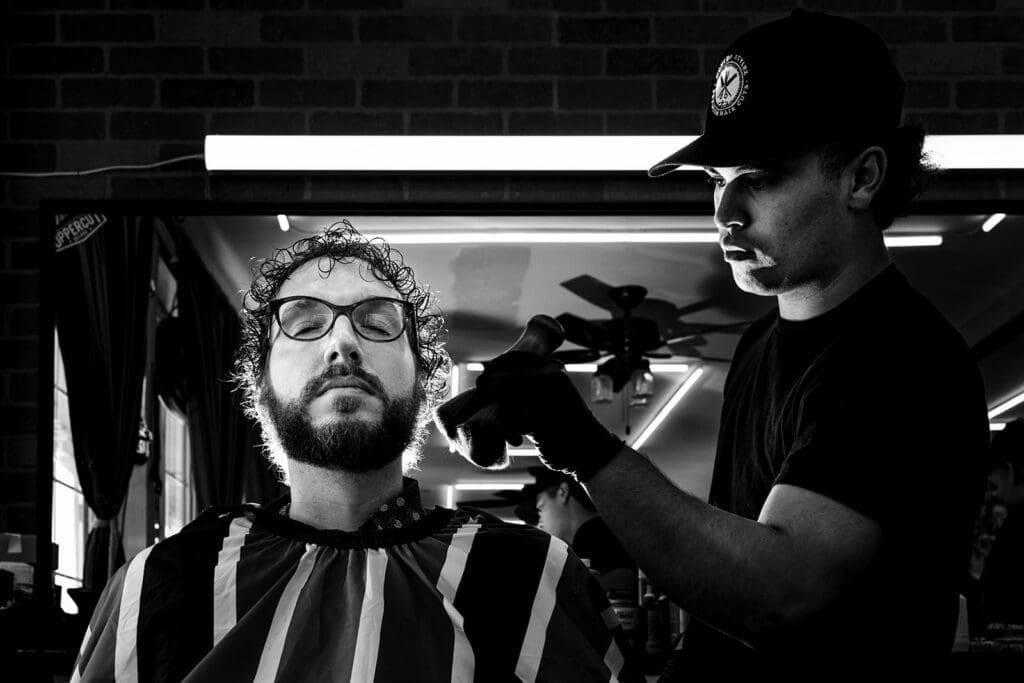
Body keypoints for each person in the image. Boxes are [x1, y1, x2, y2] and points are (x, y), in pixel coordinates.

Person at [444, 9, 990, 664]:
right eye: (717, 182)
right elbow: (726, 615)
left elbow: (778, 593)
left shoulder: (906, 360)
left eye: (759, 179)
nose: (726, 213)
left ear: (862, 177)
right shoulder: (761, 345)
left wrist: (580, 441)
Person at [69, 223, 640, 682]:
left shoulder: (533, 579)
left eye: (375, 322)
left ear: (424, 381)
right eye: (305, 323)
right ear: (259, 387)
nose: (342, 343)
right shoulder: (158, 588)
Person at [519, 466, 636, 594]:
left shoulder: (595, 539)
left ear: (563, 493)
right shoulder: (607, 530)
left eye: (541, 508)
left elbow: (627, 578)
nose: (540, 523)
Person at [967, 419, 1024, 632]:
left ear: (1009, 471)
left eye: (995, 483)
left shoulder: (1016, 525)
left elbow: (996, 594)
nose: (995, 492)